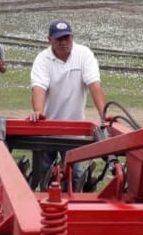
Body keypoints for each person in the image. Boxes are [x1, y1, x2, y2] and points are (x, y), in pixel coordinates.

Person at [29, 19, 108, 189]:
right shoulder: (42, 59)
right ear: (49, 40)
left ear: (72, 37)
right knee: (44, 173)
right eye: (59, 39)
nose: (64, 43)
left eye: (67, 38)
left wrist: (105, 116)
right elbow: (39, 87)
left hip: (75, 130)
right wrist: (38, 111)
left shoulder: (83, 54)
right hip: (48, 128)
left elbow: (94, 84)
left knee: (75, 175)